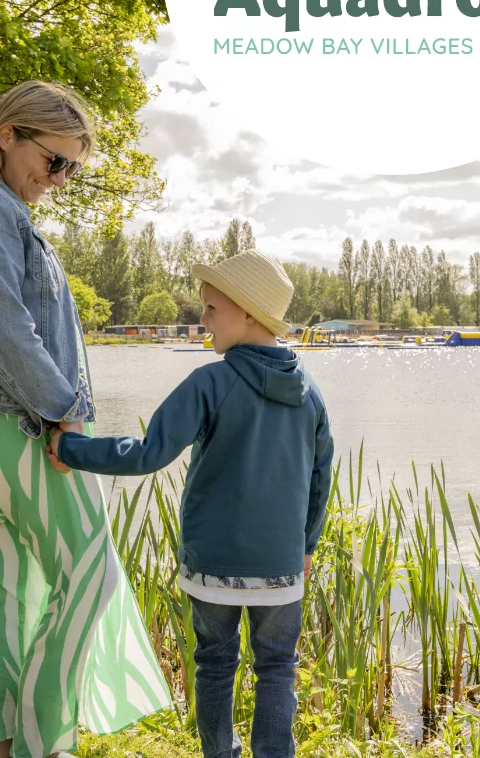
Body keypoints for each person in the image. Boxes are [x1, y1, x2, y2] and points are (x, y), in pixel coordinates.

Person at [0, 79, 172, 758]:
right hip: (13, 422)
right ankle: (41, 740)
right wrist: (65, 414)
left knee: (11, 583)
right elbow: (5, 327)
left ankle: (9, 740)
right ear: (8, 135)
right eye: (53, 160)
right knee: (91, 570)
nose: (59, 179)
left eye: (72, 169)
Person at [49, 249, 335, 758]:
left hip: (215, 565)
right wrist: (307, 545)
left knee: (216, 663)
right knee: (276, 668)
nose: (201, 319)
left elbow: (147, 452)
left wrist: (70, 447)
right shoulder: (308, 391)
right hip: (282, 568)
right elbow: (319, 477)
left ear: (247, 313)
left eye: (210, 308)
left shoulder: (211, 382)